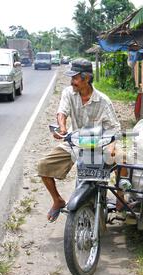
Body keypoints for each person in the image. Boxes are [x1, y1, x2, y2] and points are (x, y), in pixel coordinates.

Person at [37, 58, 121, 222]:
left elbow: (115, 128)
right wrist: (62, 128)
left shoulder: (103, 101)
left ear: (86, 78)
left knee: (123, 160)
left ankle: (120, 198)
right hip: (75, 142)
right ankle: (57, 200)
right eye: (72, 78)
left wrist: (112, 145)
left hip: (98, 145)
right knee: (43, 166)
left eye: (75, 78)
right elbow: (62, 112)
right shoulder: (69, 92)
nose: (72, 82)